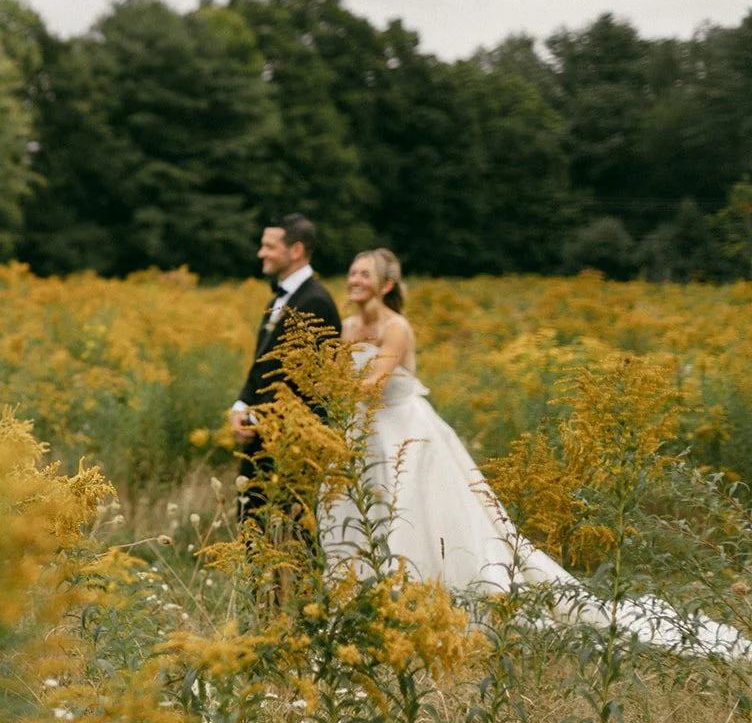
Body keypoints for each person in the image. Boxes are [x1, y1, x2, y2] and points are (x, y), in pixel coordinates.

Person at [319, 247, 747, 658]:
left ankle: (425, 604)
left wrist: (323, 390)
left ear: (387, 283)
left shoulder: (397, 327)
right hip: (364, 431)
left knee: (414, 514)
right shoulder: (347, 326)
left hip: (407, 430)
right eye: (353, 273)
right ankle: (364, 604)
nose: (355, 280)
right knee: (360, 512)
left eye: (364, 274)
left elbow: (371, 383)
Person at [229, 213, 343, 525]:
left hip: (291, 445)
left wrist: (255, 417)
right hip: (263, 433)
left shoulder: (315, 302)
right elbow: (264, 364)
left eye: (269, 246)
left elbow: (303, 383)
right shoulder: (280, 297)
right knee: (252, 529)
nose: (260, 253)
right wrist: (241, 404)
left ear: (295, 250)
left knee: (289, 534)